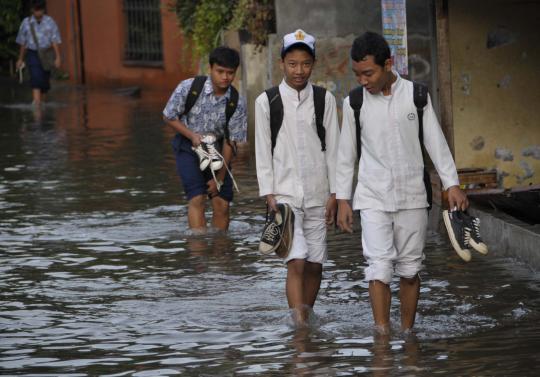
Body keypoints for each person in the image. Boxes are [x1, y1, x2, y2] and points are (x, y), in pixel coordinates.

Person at [336, 31, 469, 333]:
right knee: (378, 269)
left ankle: (407, 334)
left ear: (388, 64)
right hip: (372, 196)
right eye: (357, 74)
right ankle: (382, 338)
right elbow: (346, 155)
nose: (363, 80)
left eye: (368, 73)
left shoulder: (417, 96)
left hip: (412, 196)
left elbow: (436, 144)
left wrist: (452, 184)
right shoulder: (354, 102)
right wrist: (344, 198)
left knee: (410, 270)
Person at [255, 29, 340, 326]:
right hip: (285, 195)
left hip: (319, 192)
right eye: (292, 64)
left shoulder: (324, 99)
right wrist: (269, 194)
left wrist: (336, 195)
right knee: (297, 260)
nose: (299, 70)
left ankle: (305, 313)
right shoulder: (267, 102)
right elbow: (262, 151)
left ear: (313, 64)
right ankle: (300, 325)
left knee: (316, 264)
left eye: (305, 64)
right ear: (282, 63)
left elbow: (335, 150)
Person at [163, 46, 247, 233]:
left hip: (217, 149)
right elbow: (169, 116)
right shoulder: (189, 87)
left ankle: (220, 251)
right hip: (187, 146)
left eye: (230, 73)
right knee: (197, 198)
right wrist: (192, 135)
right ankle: (199, 253)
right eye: (220, 71)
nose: (225, 77)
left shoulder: (236, 102)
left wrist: (220, 178)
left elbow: (230, 141)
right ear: (210, 68)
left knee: (222, 204)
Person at [15, 0, 62, 106]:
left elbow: (55, 40)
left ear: (43, 10)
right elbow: (23, 42)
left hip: (47, 54)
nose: (38, 12)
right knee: (36, 77)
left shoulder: (50, 22)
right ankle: (36, 103)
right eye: (36, 10)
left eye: (40, 10)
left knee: (44, 82)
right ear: (32, 10)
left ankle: (42, 102)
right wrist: (20, 58)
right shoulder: (26, 23)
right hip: (32, 53)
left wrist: (58, 57)